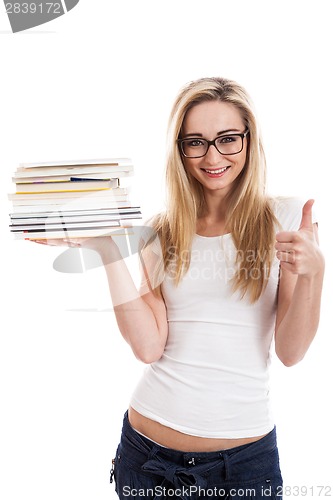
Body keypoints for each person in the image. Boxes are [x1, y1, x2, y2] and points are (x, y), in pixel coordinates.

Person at [35, 77, 325, 499]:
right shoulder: (160, 230)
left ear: (249, 139)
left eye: (228, 139)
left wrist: (315, 273)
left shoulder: (286, 217)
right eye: (196, 142)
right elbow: (148, 347)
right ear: (180, 148)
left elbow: (291, 351)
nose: (213, 156)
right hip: (147, 456)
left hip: (243, 466)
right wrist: (108, 251)